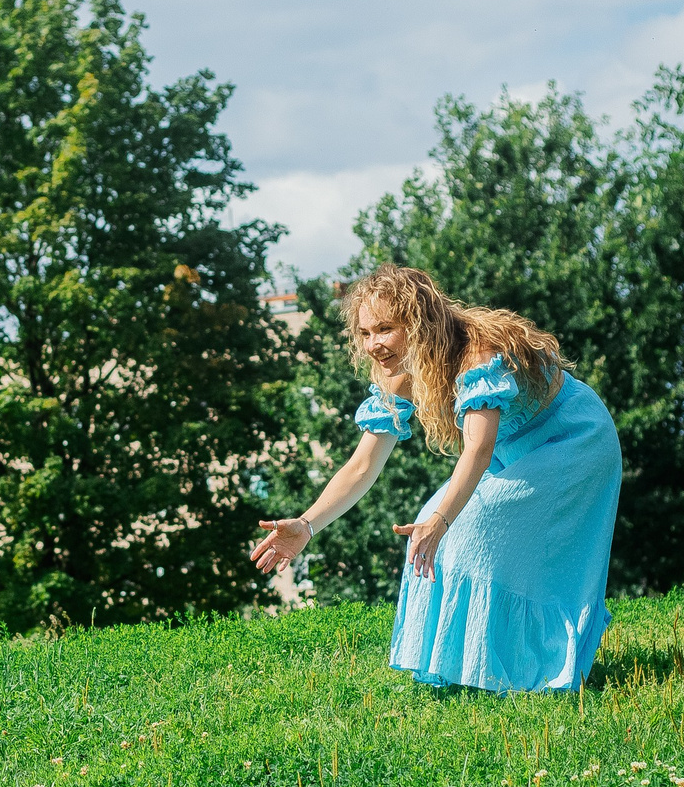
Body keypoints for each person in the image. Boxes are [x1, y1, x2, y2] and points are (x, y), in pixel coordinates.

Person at [253, 266, 621, 692]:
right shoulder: (398, 372)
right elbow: (362, 465)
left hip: (573, 442)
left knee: (465, 532)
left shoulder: (476, 354)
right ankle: (466, 671)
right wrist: (307, 523)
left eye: (386, 329)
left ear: (419, 321)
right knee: (431, 528)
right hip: (514, 447)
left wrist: (443, 521)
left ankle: (529, 673)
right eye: (366, 332)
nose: (374, 344)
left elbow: (478, 450)